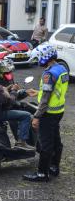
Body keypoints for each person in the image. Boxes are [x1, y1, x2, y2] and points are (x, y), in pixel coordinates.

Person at [24, 44, 69, 182]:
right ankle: (54, 167)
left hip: (48, 113)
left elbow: (44, 100)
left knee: (45, 144)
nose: (38, 61)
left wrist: (37, 116)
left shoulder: (49, 74)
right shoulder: (61, 68)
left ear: (45, 57)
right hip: (58, 111)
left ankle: (42, 174)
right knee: (56, 140)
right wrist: (37, 92)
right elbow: (55, 91)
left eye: (39, 58)